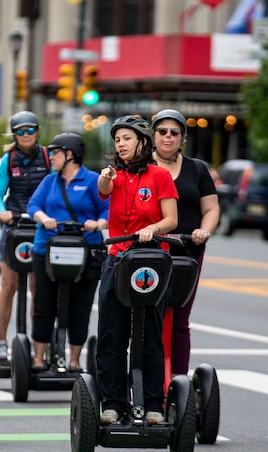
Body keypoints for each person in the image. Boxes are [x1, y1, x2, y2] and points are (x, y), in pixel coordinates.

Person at [96, 115, 179, 425]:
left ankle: (153, 404)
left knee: (150, 335)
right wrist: (106, 177)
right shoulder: (114, 175)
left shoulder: (160, 176)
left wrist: (152, 229)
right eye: (117, 139)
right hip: (118, 258)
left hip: (151, 259)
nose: (120, 144)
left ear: (143, 142)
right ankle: (113, 404)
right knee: (111, 334)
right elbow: (103, 189)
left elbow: (171, 219)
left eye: (127, 138)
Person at [27, 132, 109, 372]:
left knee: (80, 306)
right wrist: (44, 218)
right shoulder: (50, 181)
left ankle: (74, 360)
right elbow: (34, 205)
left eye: (56, 153)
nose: (51, 157)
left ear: (70, 155)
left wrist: (98, 224)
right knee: (44, 304)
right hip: (48, 250)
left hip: (85, 250)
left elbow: (107, 209)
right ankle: (38, 358)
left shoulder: (93, 180)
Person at [151, 108, 219, 376]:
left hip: (187, 252)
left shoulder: (197, 169)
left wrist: (204, 230)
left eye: (174, 133)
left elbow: (211, 208)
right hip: (149, 252)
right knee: (146, 318)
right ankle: (146, 379)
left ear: (182, 138)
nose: (168, 137)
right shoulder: (142, 167)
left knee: (179, 319)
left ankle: (177, 381)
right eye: (162, 132)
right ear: (153, 135)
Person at [0, 110, 50, 360]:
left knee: (39, 289)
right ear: (14, 134)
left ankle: (38, 344)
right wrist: (2, 212)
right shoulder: (9, 159)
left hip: (40, 227)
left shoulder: (48, 156)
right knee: (8, 286)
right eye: (20, 131)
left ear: (37, 132)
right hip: (15, 227)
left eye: (30, 130)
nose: (25, 135)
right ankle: (3, 342)